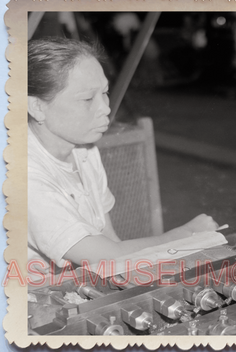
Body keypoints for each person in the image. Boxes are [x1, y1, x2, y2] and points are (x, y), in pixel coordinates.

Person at [27, 37, 219, 273]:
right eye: (87, 99)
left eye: (105, 93)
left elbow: (111, 242)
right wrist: (187, 235)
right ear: (36, 107)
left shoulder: (84, 151)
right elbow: (106, 257)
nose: (105, 108)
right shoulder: (23, 177)